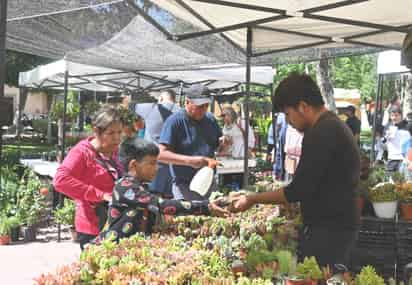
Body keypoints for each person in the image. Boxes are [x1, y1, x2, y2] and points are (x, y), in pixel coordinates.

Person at [231, 73, 360, 267]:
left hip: (329, 231)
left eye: (287, 114)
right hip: (338, 225)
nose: (288, 121)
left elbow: (297, 190)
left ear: (303, 107)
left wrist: (252, 199)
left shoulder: (321, 132)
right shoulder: (334, 125)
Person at [94, 138, 229, 244]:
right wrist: (206, 207)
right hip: (112, 249)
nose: (157, 168)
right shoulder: (125, 187)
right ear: (134, 165)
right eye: (152, 163)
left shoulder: (139, 187)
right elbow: (161, 205)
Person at [53, 105, 123, 250]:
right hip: (92, 227)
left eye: (119, 132)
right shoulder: (82, 152)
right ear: (97, 131)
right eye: (111, 133)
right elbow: (60, 180)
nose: (117, 138)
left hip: (115, 224)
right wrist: (100, 195)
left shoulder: (112, 151)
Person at [158, 84, 222, 201]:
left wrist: (224, 145)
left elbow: (217, 148)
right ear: (187, 102)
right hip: (185, 186)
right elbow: (161, 154)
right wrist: (190, 161)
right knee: (188, 217)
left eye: (206, 105)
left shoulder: (210, 119)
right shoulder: (174, 121)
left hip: (208, 183)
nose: (203, 109)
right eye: (199, 106)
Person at [135, 89, 180, 197]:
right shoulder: (181, 111)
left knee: (154, 198)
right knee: (170, 200)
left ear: (160, 98)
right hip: (173, 162)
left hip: (153, 160)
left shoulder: (150, 108)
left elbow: (131, 107)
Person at [384, 106, 410, 175]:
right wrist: (386, 138)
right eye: (392, 116)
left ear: (401, 115)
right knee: (390, 182)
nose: (394, 118)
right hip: (391, 158)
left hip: (404, 160)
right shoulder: (388, 126)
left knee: (404, 182)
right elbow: (384, 143)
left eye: (396, 115)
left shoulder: (408, 126)